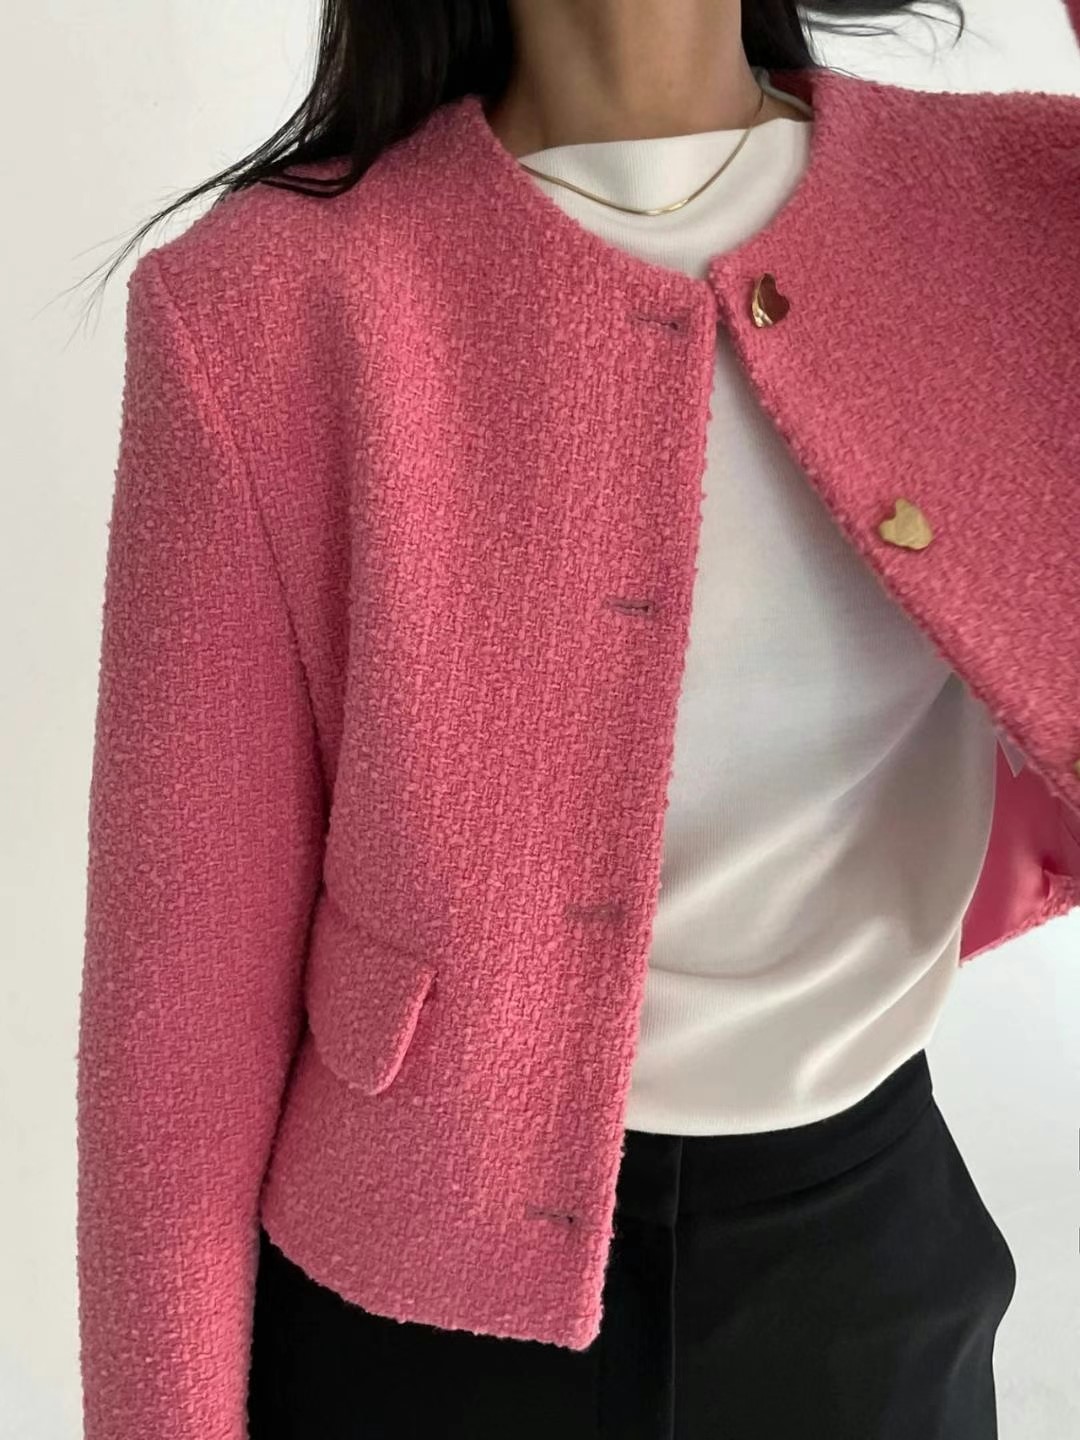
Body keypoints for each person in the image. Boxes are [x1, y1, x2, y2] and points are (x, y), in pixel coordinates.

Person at [74, 2, 1080, 1437]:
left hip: (864, 1280)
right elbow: (178, 1009)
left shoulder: (1024, 211)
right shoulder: (262, 301)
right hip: (405, 1321)